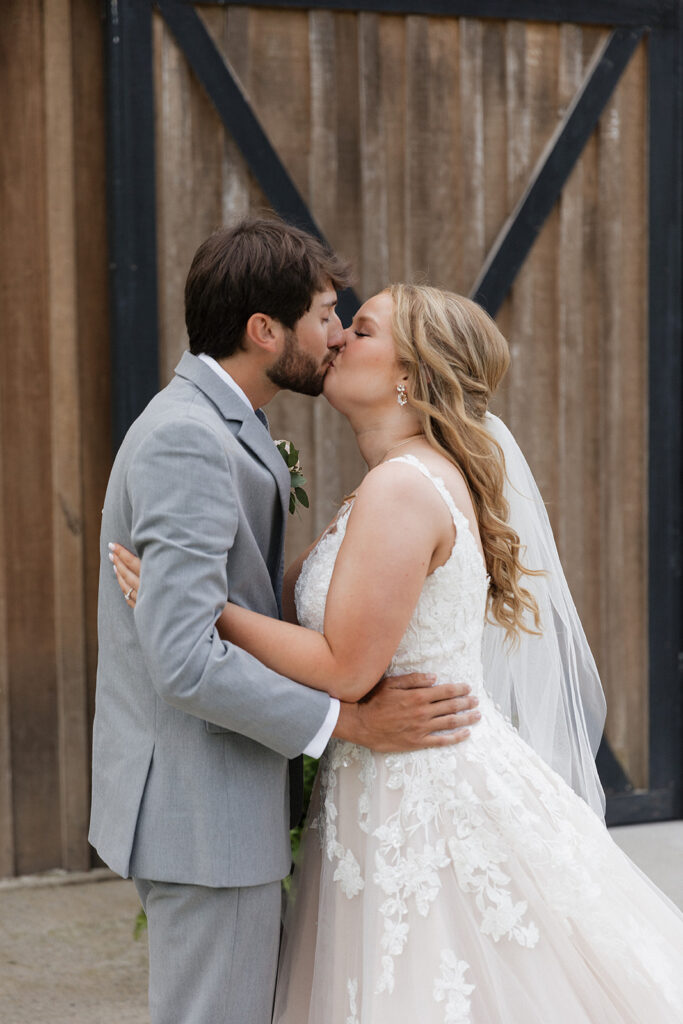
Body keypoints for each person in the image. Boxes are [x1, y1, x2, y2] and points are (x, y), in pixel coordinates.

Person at [114, 281, 683, 1022]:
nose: (339, 338)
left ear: (408, 375)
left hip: (421, 792)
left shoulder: (403, 489)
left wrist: (195, 607)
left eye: (363, 328)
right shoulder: (384, 485)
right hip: (379, 786)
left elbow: (346, 669)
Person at [91, 221, 480, 1024]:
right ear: (264, 331)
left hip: (227, 805)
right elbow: (185, 663)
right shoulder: (189, 441)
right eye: (325, 315)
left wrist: (220, 610)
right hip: (205, 813)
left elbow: (238, 608)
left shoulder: (232, 430)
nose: (336, 336)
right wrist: (349, 724)